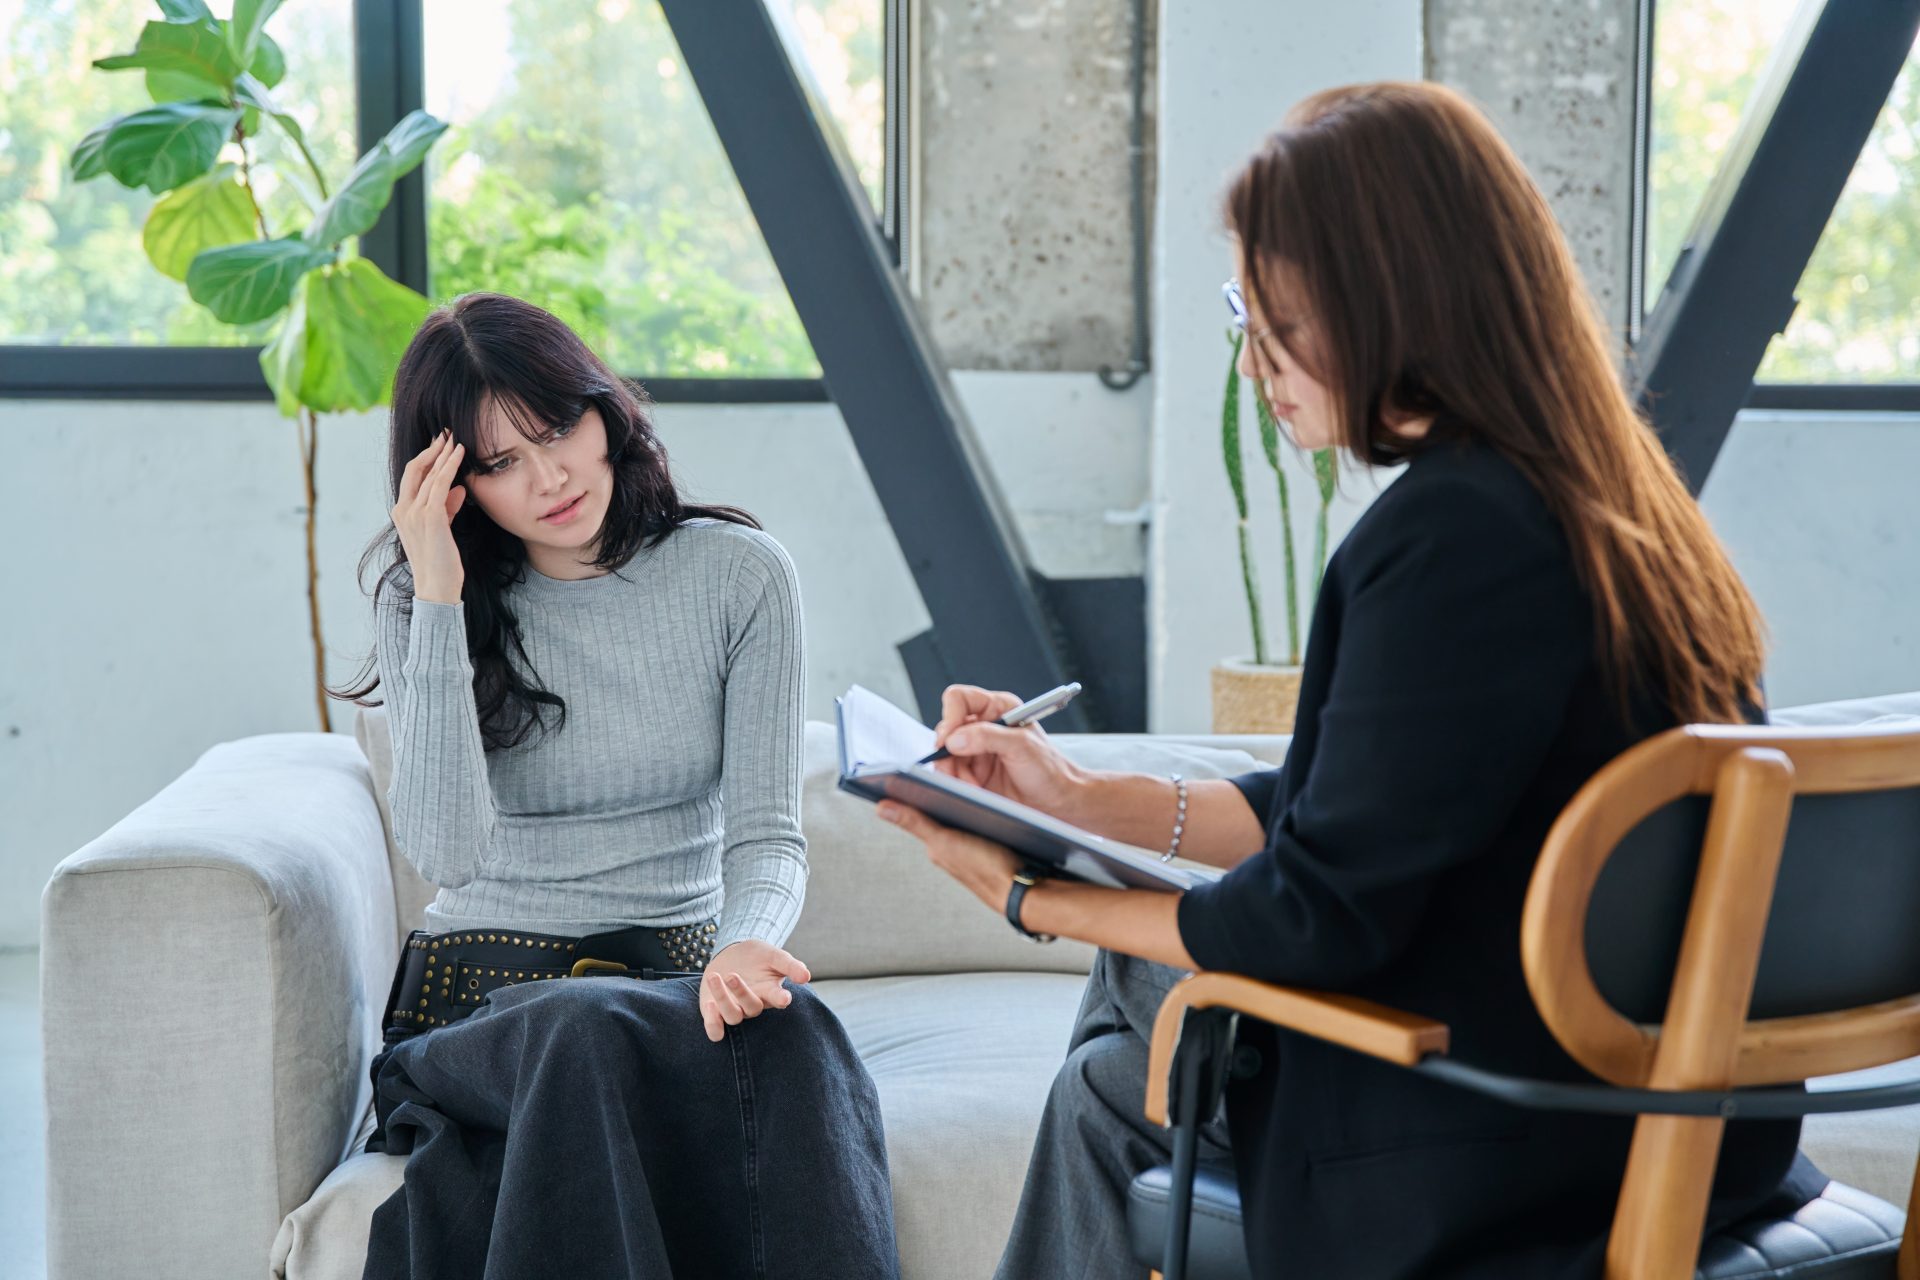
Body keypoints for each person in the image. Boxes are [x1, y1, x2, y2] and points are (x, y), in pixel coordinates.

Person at [878, 82, 1825, 1279]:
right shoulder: (1616, 509)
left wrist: (1027, 898)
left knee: (1112, 1072)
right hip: (1670, 1111)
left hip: (1500, 1133)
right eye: (1246, 311)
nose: (1254, 355)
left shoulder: (1450, 539)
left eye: (1279, 316)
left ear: (1396, 302)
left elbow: (1313, 914)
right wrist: (1070, 797)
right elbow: (1371, 802)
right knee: (1137, 1011)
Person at [333, 292, 898, 1279]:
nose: (549, 476)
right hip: (484, 1007)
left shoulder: (740, 576)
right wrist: (435, 594)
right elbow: (447, 848)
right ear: (452, 484)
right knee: (582, 1032)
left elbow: (766, 834)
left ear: (605, 414)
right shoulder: (425, 597)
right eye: (501, 461)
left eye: (557, 429)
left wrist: (743, 947)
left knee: (801, 1035)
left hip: (674, 989)